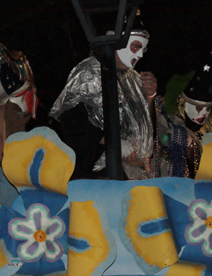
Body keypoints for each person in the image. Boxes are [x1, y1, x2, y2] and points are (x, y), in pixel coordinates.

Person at [49, 30, 157, 180]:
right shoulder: (90, 70)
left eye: (143, 49)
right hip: (101, 176)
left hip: (136, 174)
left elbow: (143, 125)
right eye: (135, 47)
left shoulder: (133, 78)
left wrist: (149, 98)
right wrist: (108, 139)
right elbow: (70, 118)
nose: (140, 55)